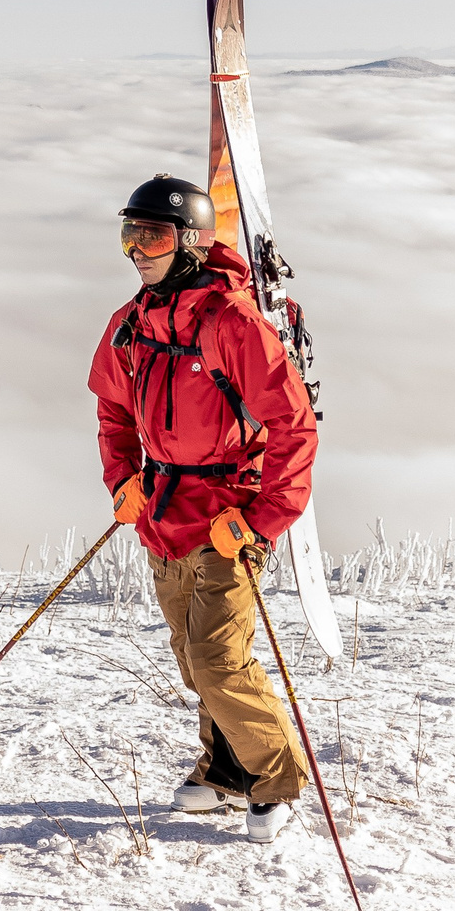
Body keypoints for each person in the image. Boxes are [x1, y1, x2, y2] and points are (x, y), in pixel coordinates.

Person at [88, 174, 320, 843]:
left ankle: (277, 782)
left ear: (189, 243)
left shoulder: (231, 323)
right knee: (195, 661)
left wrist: (258, 519)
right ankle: (226, 770)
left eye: (152, 235)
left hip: (225, 522)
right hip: (163, 515)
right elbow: (111, 407)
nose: (137, 250)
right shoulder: (131, 324)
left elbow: (295, 428)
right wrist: (122, 479)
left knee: (219, 659)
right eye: (128, 234)